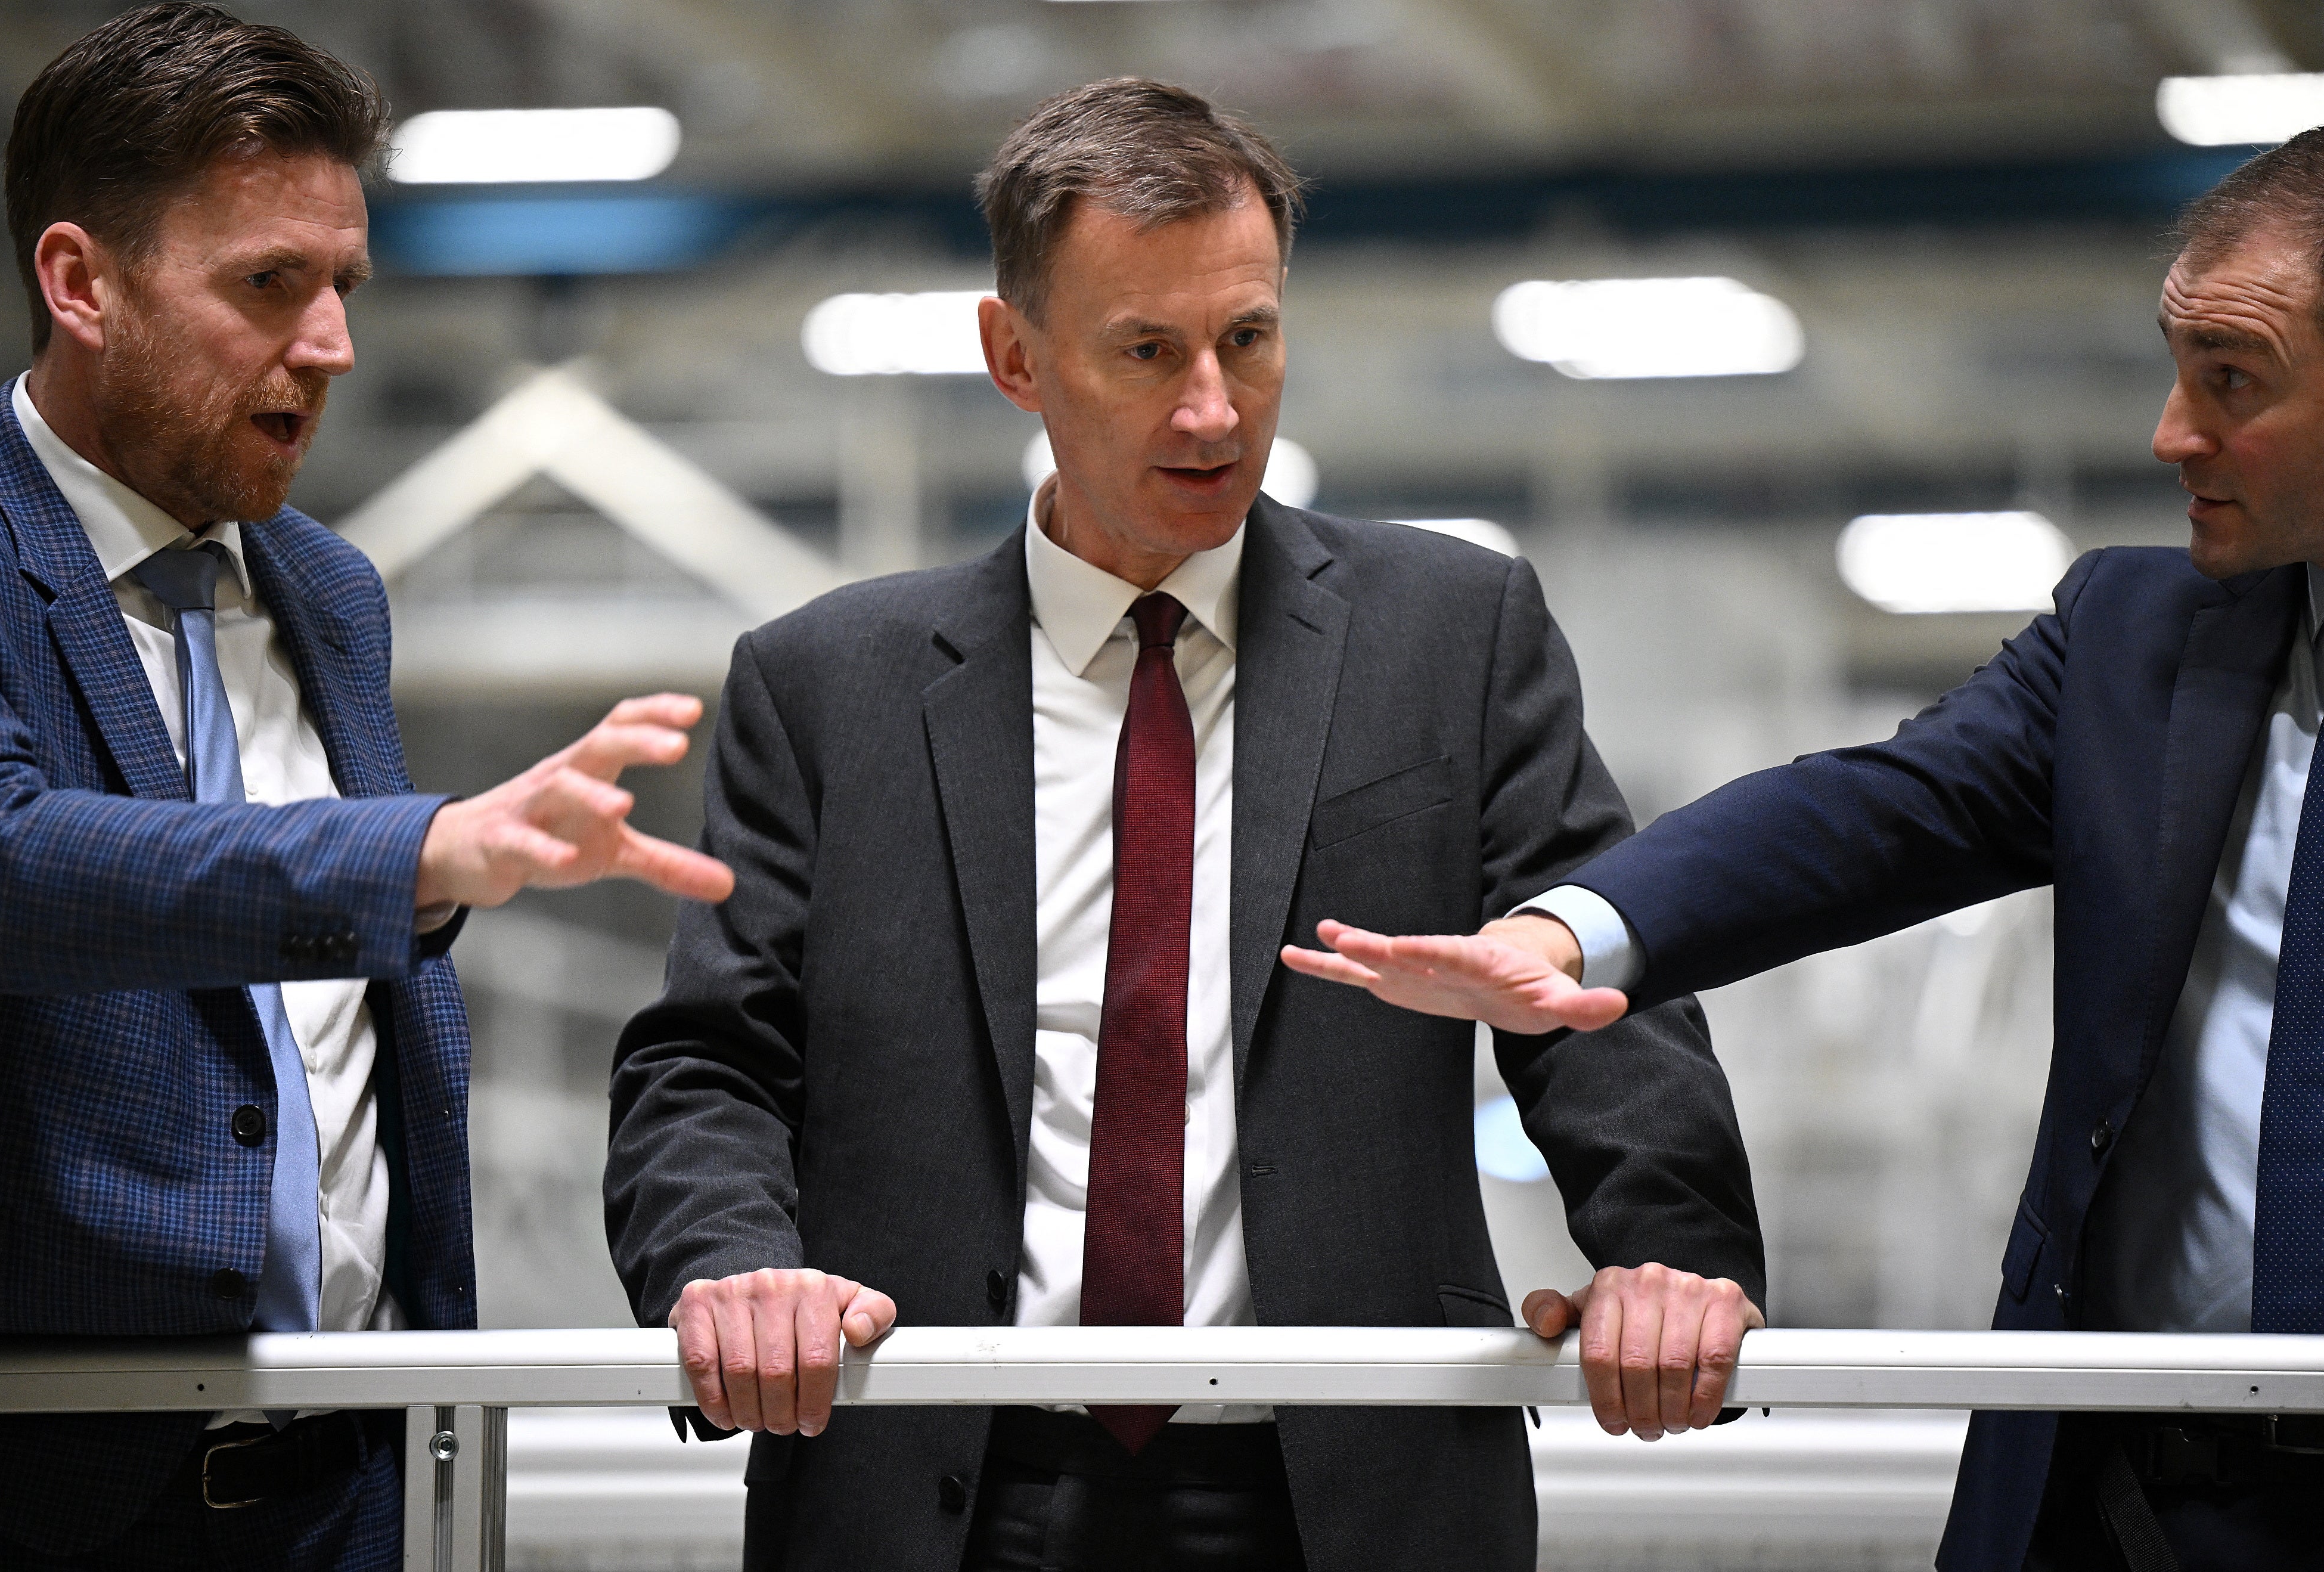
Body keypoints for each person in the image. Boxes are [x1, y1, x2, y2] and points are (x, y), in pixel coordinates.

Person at [606, 77, 1764, 1572]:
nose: (1212, 408)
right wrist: (735, 1266)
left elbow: (1591, 983)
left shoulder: (1451, 633)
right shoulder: (826, 687)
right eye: (1146, 350)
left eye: (1248, 339)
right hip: (941, 1487)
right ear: (1012, 355)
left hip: (1350, 1484)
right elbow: (709, 1057)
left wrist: (1667, 1252)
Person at [1283, 130, 2324, 1572]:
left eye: (2231, 379)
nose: (2168, 432)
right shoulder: (2136, 642)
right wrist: (1563, 933)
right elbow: (1865, 813)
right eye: (2173, 366)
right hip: (2137, 1499)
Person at [0, 6, 733, 1567]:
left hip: (361, 1485)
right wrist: (423, 846)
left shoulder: (326, 590)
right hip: (43, 1501)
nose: (333, 345)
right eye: (267, 285)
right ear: (79, 280)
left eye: (343, 288)